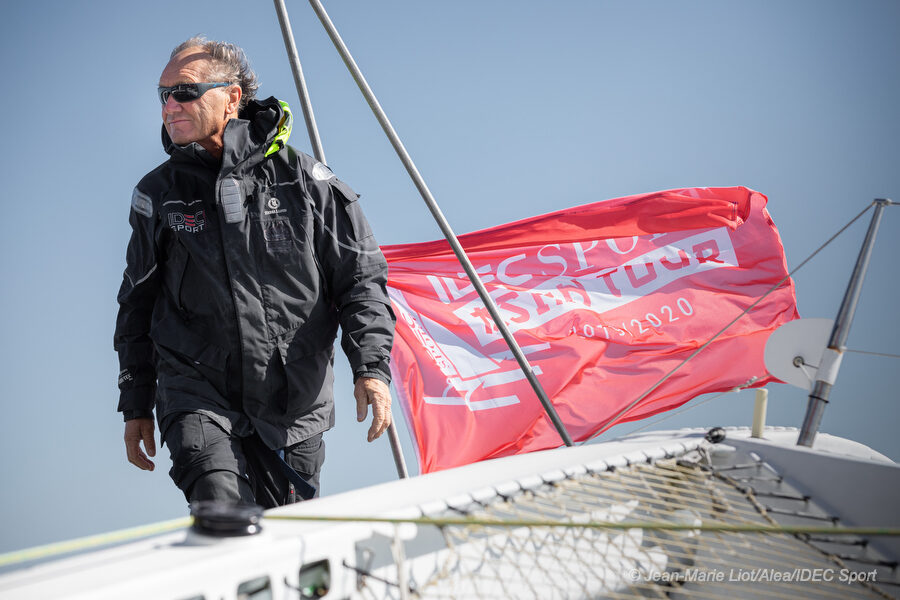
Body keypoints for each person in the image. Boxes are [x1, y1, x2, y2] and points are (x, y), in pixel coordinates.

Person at [114, 36, 395, 507]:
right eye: (163, 95)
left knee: (290, 548)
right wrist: (136, 402)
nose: (170, 106)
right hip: (196, 393)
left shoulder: (307, 180)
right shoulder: (157, 194)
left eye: (184, 91)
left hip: (294, 407)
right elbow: (136, 304)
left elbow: (360, 279)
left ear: (232, 98)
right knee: (221, 511)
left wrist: (371, 368)